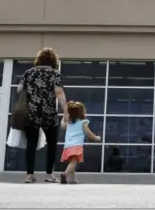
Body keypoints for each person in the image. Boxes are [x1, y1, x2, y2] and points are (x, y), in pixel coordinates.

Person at [18, 47, 69, 183]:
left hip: (31, 112)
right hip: (49, 113)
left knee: (31, 144)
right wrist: (65, 110)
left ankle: (29, 174)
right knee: (52, 143)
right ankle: (48, 174)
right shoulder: (55, 73)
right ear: (53, 60)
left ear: (39, 59)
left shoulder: (28, 72)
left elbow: (19, 89)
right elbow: (59, 92)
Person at [59, 101, 101, 184]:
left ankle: (72, 179)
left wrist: (64, 117)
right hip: (76, 145)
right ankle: (65, 174)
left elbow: (62, 125)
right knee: (74, 162)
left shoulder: (69, 123)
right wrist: (96, 138)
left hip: (68, 146)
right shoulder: (83, 122)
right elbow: (88, 132)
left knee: (72, 163)